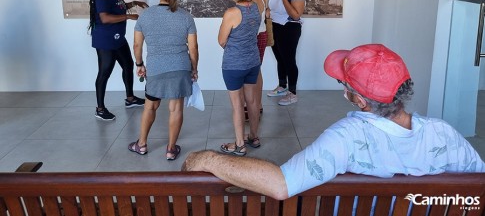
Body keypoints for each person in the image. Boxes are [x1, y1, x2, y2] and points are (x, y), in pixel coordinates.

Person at [182, 44, 485, 200]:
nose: (343, 90)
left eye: (347, 86)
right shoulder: (444, 134)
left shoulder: (347, 138)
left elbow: (281, 185)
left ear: (361, 100)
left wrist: (206, 157)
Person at [128, 0, 198, 161]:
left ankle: (141, 144)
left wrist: (139, 64)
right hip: (180, 67)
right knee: (175, 109)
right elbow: (193, 48)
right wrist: (194, 68)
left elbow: (137, 45)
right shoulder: (186, 16)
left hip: (156, 69)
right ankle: (170, 149)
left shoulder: (146, 16)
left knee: (150, 106)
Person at [88, 0, 148, 121]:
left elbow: (119, 7)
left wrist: (134, 3)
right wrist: (129, 16)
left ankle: (130, 98)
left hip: (118, 39)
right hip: (105, 40)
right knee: (104, 72)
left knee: (128, 65)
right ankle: (100, 108)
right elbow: (105, 18)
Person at [218, 0, 263, 156]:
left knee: (238, 105)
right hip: (253, 61)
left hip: (234, 65)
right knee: (252, 101)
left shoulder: (232, 12)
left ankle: (239, 144)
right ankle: (253, 137)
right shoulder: (256, 7)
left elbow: (221, 40)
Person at [266, 0, 305, 106]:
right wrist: (269, 12)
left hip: (289, 28)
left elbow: (296, 15)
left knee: (289, 60)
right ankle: (282, 86)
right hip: (275, 27)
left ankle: (292, 93)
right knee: (280, 59)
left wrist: (284, 0)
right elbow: (273, 7)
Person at [244, 0, 268, 120]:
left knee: (254, 72)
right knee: (256, 71)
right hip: (258, 35)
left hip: (256, 37)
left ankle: (254, 104)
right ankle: (256, 104)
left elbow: (251, 22)